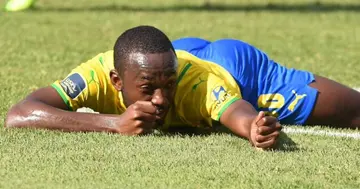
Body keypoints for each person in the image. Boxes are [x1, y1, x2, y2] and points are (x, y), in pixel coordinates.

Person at [5, 25, 360, 150]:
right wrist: (112, 123)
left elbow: (237, 111)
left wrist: (255, 129)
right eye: (147, 89)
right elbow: (18, 114)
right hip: (175, 53)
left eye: (168, 86)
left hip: (235, 69)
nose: (161, 99)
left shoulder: (198, 85)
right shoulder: (97, 73)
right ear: (116, 81)